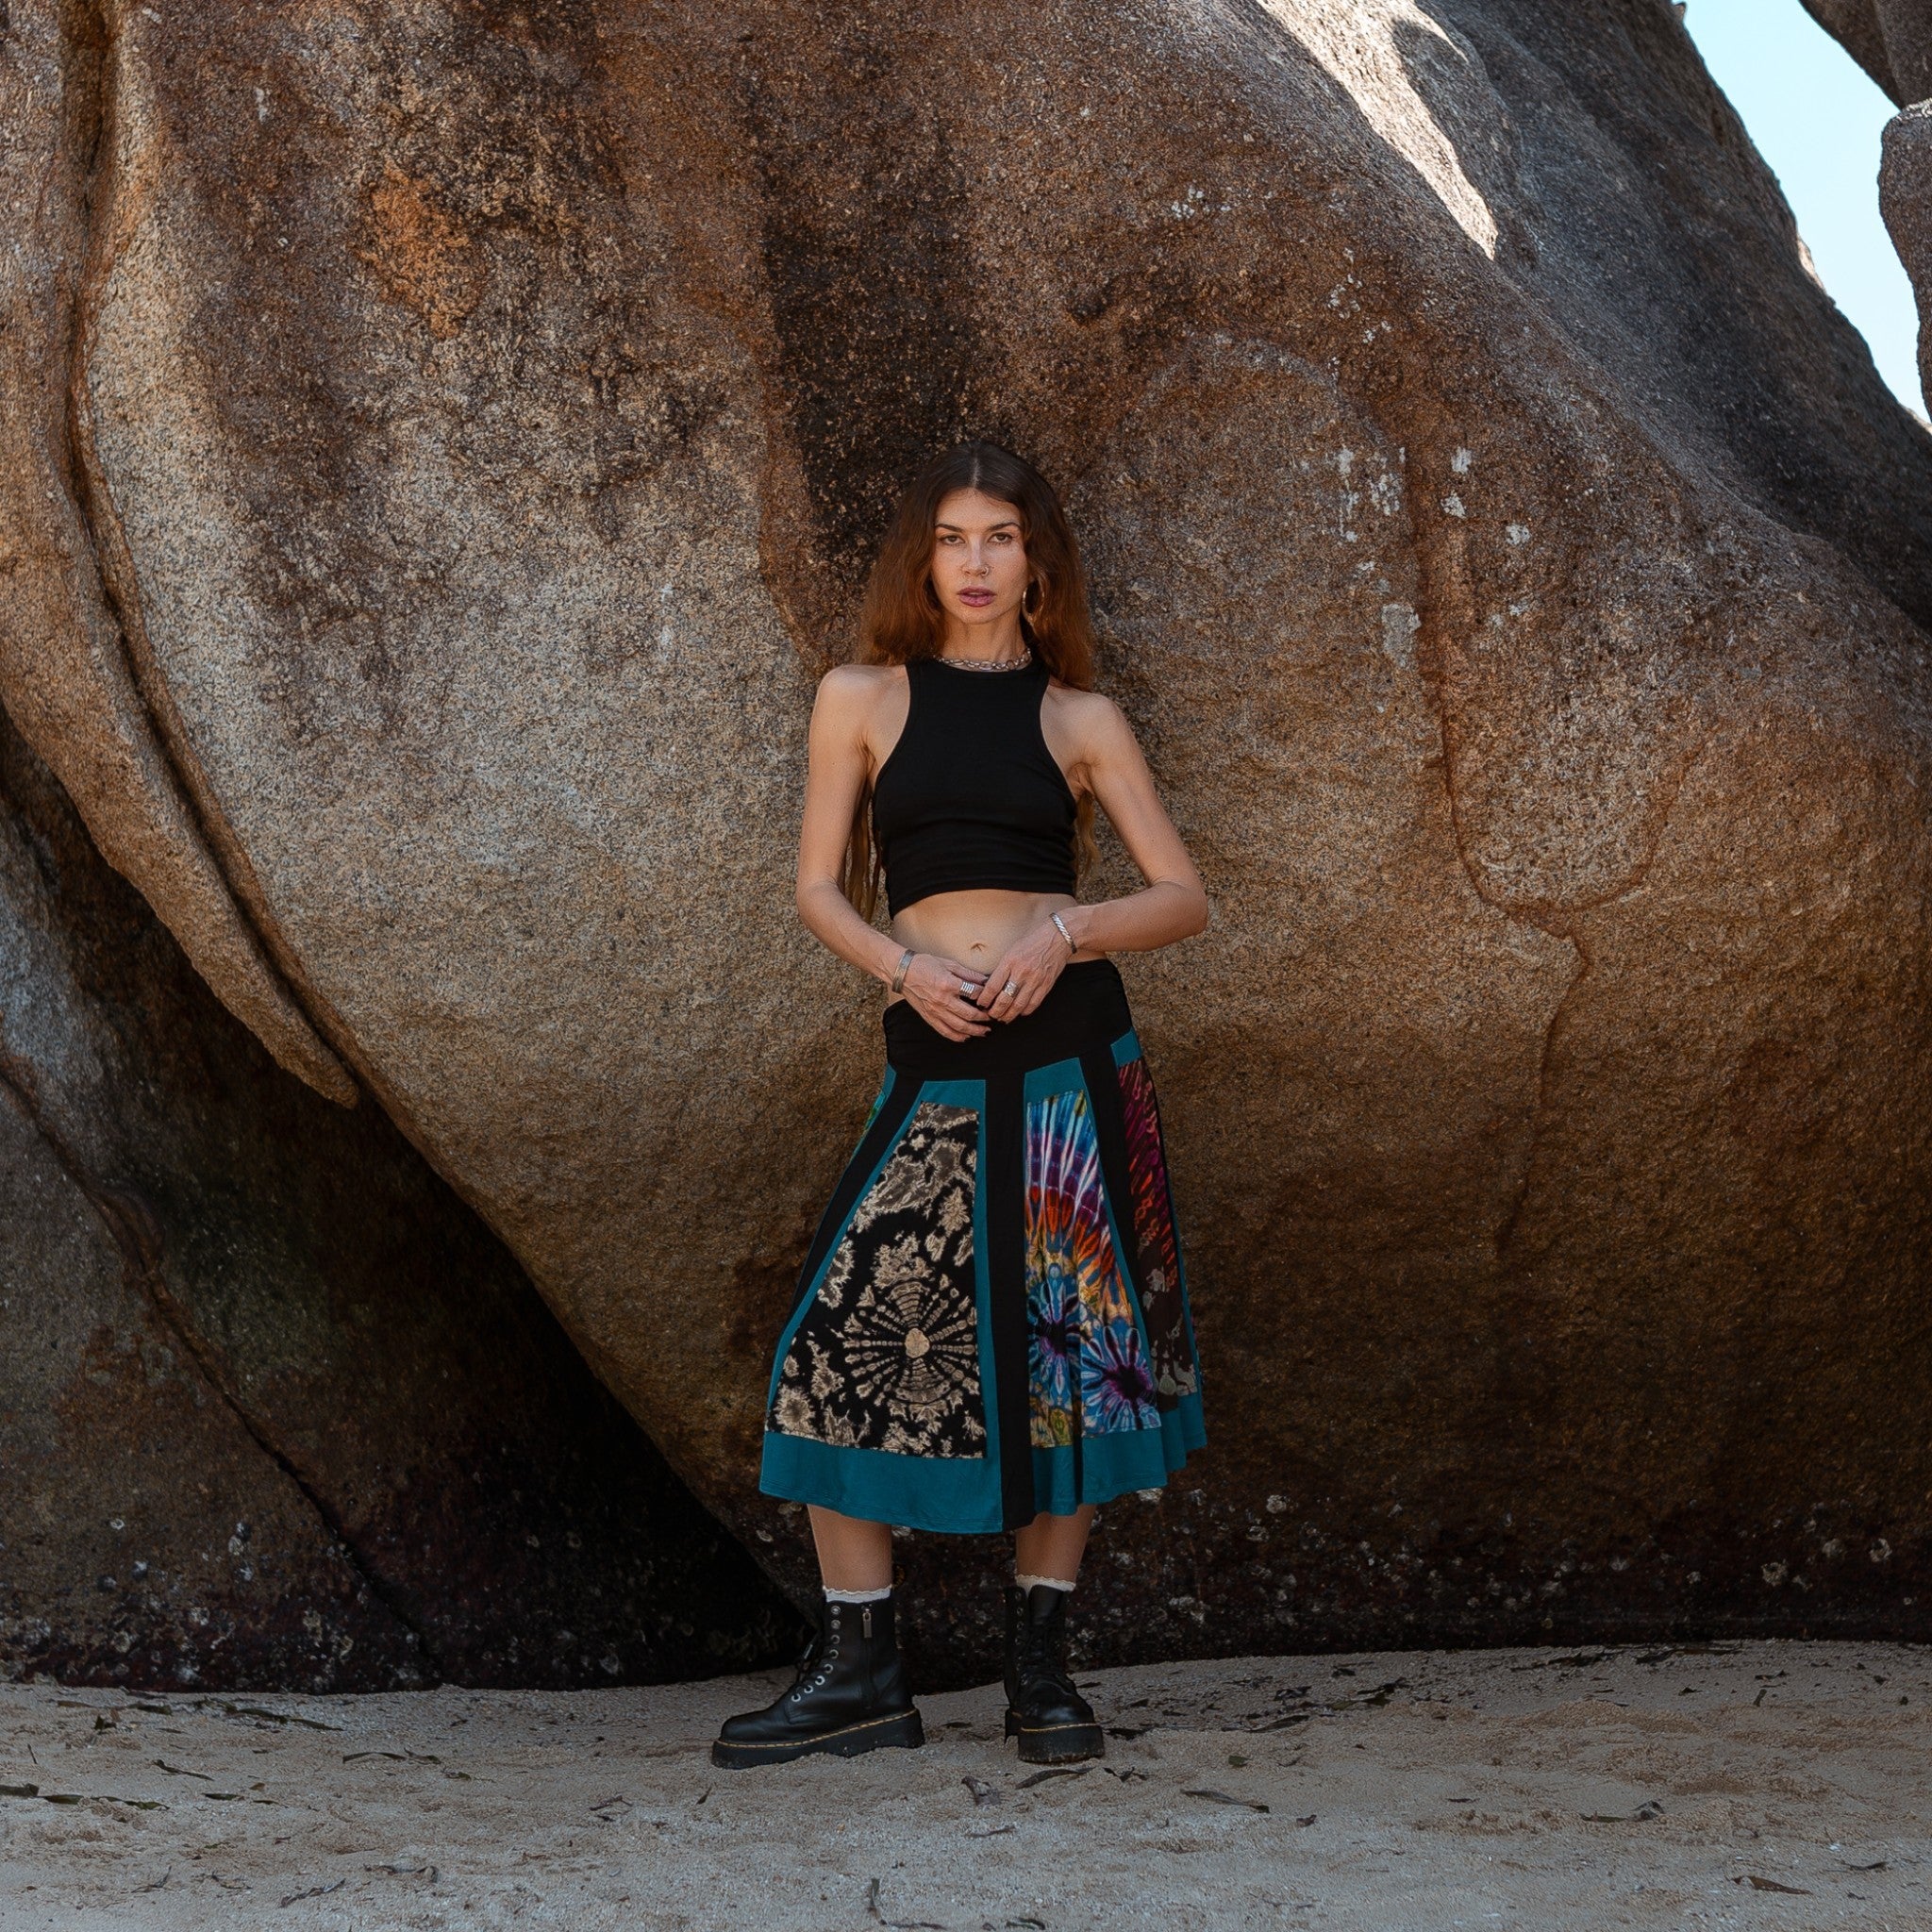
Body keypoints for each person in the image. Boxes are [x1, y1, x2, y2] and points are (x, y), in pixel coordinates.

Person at [712, 441, 1208, 1771]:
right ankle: (861, 1672)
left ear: (1035, 561)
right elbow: (819, 886)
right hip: (934, 1043)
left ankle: (1040, 1674)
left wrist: (1074, 930)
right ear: (922, 558)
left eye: (1000, 538)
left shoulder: (1080, 718)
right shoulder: (862, 697)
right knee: (834, 1339)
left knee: (1069, 1365)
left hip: (1067, 1059)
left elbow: (1186, 895)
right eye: (952, 538)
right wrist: (903, 968)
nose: (976, 563)